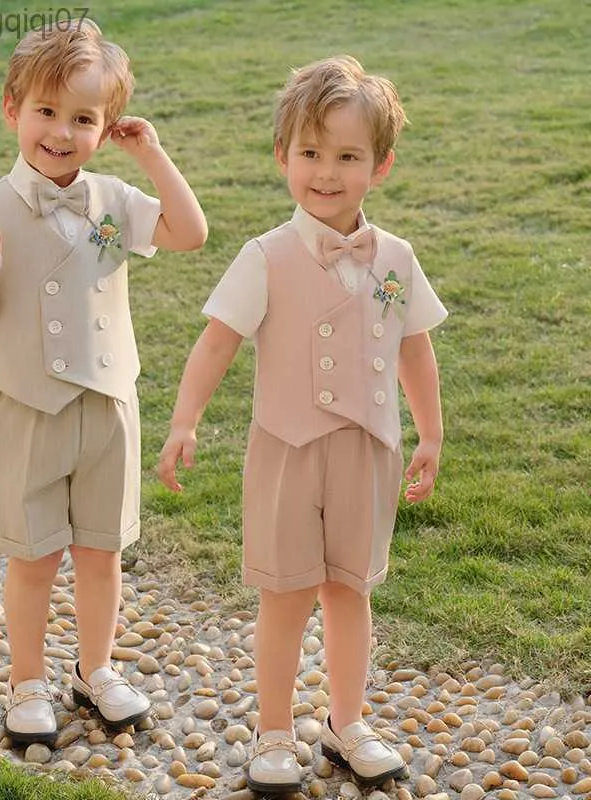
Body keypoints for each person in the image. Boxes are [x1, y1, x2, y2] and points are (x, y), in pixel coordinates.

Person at [158, 55, 447, 793]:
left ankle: (349, 722)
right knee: (285, 595)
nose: (326, 172)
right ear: (282, 155)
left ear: (380, 166)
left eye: (347, 156)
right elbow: (217, 340)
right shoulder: (266, 257)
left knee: (351, 591)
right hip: (286, 450)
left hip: (369, 448)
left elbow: (416, 348)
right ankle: (276, 731)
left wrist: (431, 433)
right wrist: (185, 419)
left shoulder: (398, 259)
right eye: (311, 153)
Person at [0, 18, 207, 746]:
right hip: (30, 409)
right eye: (46, 111)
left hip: (110, 403)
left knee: (100, 550)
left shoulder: (113, 201)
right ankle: (27, 682)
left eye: (83, 118)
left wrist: (153, 157)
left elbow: (190, 232)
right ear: (12, 109)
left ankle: (95, 669)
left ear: (105, 126)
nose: (60, 131)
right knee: (33, 555)